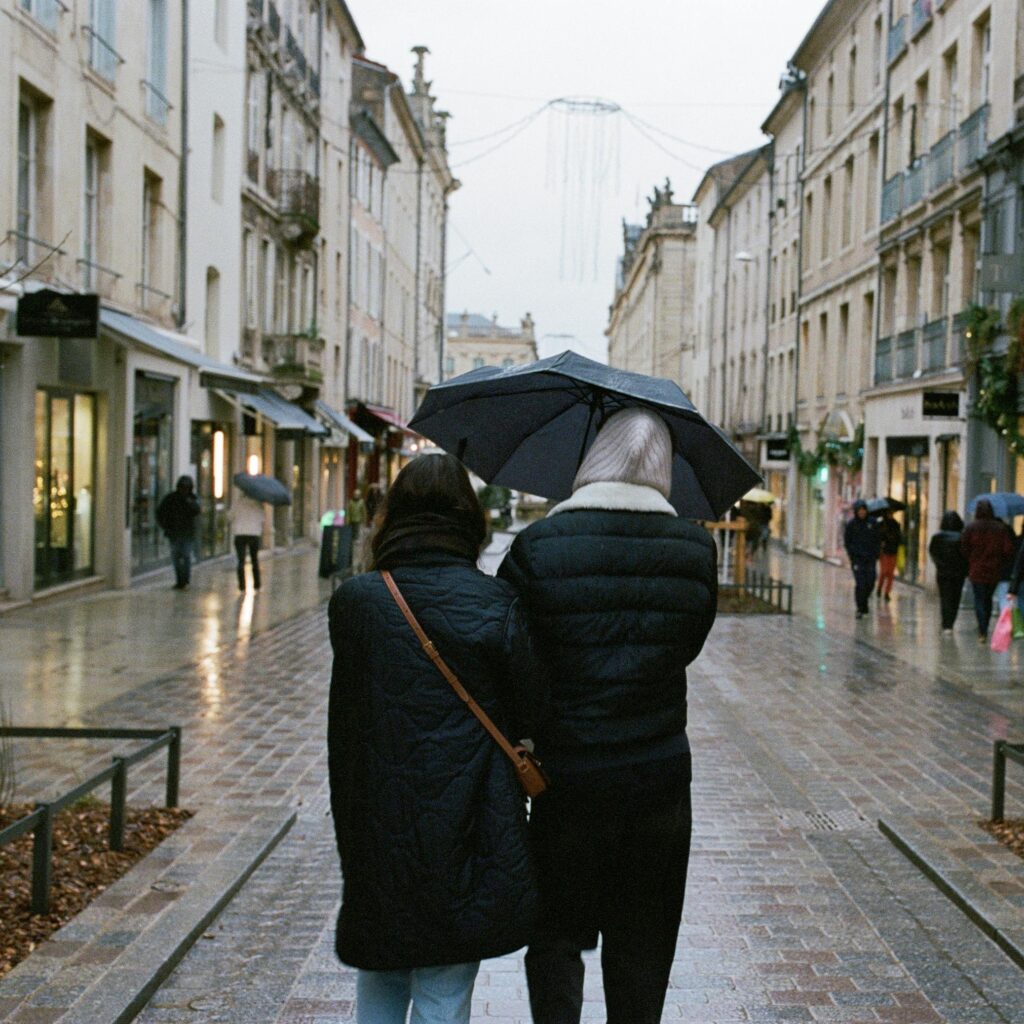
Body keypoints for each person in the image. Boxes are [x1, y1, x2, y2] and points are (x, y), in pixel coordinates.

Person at [498, 407, 718, 1024]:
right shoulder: (695, 548)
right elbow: (689, 643)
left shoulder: (539, 545)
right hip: (660, 776)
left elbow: (514, 650)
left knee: (557, 932)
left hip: (570, 774)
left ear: (593, 462)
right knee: (644, 938)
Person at [327, 454, 542, 1024]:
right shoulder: (496, 604)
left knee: (380, 979)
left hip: (378, 819)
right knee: (444, 992)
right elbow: (530, 711)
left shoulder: (356, 603)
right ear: (469, 519)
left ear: (391, 517)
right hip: (466, 820)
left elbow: (345, 725)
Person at [960, 498, 1014, 643]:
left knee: (979, 598)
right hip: (994, 570)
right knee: (988, 598)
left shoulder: (971, 528)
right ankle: (985, 626)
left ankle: (982, 630)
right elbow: (1008, 549)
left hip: (976, 569)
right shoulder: (1000, 528)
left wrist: (972, 558)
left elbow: (964, 548)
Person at [156, 475, 200, 590]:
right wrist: (166, 526)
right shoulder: (171, 498)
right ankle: (179, 581)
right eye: (182, 487)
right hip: (174, 533)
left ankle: (185, 580)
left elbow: (197, 511)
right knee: (176, 557)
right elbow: (160, 512)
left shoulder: (192, 499)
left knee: (185, 556)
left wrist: (189, 501)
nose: (184, 490)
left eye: (187, 488)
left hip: (187, 534)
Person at [928, 511, 968, 634]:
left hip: (943, 572)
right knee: (955, 597)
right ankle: (951, 621)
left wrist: (939, 564)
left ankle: (946, 624)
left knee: (945, 597)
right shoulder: (962, 537)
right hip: (958, 573)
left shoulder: (937, 537)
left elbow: (932, 552)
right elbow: (966, 555)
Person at [843, 500, 880, 618]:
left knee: (870, 582)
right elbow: (847, 541)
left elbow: (878, 538)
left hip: (870, 559)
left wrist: (876, 553)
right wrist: (852, 555)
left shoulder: (872, 523)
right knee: (860, 584)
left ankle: (864, 603)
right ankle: (860, 608)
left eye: (864, 510)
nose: (862, 512)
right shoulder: (851, 525)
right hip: (858, 559)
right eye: (860, 510)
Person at [230, 490, 265, 592]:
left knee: (241, 561)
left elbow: (231, 516)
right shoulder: (258, 504)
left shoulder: (238, 503)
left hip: (240, 534)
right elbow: (262, 518)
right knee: (254, 560)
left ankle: (242, 586)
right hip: (254, 534)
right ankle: (257, 585)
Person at [876, 508, 904, 602]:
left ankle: (887, 592)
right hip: (884, 551)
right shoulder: (881, 524)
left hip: (893, 551)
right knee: (884, 572)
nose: (890, 515)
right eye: (888, 513)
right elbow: (878, 537)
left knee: (891, 574)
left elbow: (899, 538)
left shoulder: (896, 524)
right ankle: (879, 587)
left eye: (891, 513)